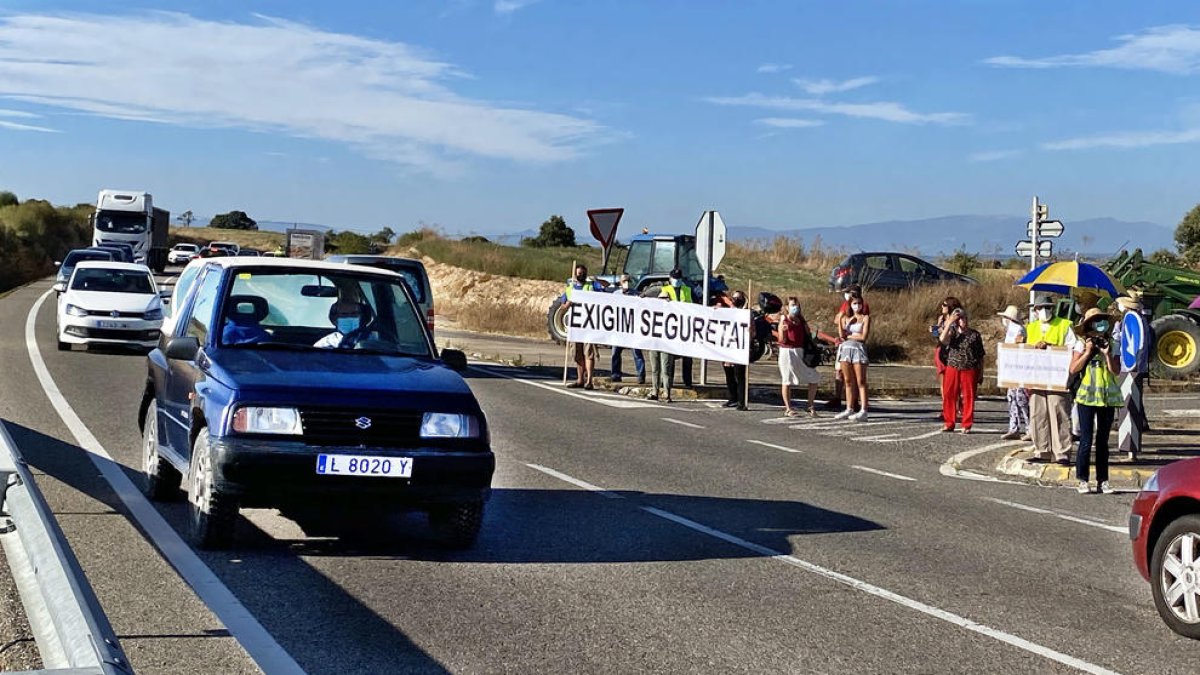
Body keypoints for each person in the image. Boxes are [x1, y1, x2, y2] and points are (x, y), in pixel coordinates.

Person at [1070, 308, 1123, 494]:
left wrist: (1107, 353)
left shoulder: (1113, 343)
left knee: (1103, 441)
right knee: (1085, 439)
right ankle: (1082, 480)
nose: (1100, 324)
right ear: (1089, 324)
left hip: (1107, 396)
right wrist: (1087, 352)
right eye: (1096, 321)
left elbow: (1116, 371)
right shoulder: (1082, 343)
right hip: (1087, 396)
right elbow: (1073, 369)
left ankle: (1103, 480)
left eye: (1102, 320)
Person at [1025, 293, 1077, 465]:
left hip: (1057, 378)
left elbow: (1073, 347)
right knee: (1038, 414)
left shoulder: (1064, 325)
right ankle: (1042, 450)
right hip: (1036, 377)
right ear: (1035, 310)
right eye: (1041, 308)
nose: (1044, 311)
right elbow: (1024, 351)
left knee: (1059, 413)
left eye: (1047, 307)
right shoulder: (1031, 328)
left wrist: (1051, 347)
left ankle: (1062, 452)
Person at [939, 308, 985, 433]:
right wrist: (949, 322)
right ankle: (949, 422)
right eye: (959, 319)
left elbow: (980, 355)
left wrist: (981, 372)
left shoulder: (975, 335)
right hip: (953, 366)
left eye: (963, 318)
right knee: (949, 394)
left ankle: (966, 424)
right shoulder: (953, 332)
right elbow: (942, 340)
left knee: (968, 396)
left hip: (969, 368)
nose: (962, 320)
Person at [828, 285, 871, 410]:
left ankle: (858, 403)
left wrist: (850, 336)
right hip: (846, 347)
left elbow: (862, 334)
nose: (856, 305)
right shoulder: (846, 306)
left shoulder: (864, 309)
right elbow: (838, 321)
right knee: (842, 374)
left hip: (857, 348)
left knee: (859, 378)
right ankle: (843, 401)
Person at [778, 297, 822, 417]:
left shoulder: (800, 320)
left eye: (797, 305)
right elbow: (782, 340)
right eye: (792, 305)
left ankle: (810, 405)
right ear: (787, 307)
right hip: (788, 352)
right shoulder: (784, 319)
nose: (795, 307)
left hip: (800, 351)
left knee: (813, 377)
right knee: (787, 379)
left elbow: (808, 335)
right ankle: (788, 408)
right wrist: (784, 330)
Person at [563, 264, 604, 390]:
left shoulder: (592, 286)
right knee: (577, 353)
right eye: (579, 273)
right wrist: (568, 303)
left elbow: (604, 293)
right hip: (575, 326)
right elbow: (562, 306)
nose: (581, 276)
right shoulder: (570, 289)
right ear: (575, 274)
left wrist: (596, 280)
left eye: (583, 273)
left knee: (589, 353)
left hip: (588, 325)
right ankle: (580, 379)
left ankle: (589, 380)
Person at [997, 304, 1030, 441]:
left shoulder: (1019, 330)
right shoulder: (1011, 329)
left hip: (1019, 368)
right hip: (1011, 368)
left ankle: (1029, 428)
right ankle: (1014, 428)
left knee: (1021, 399)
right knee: (1012, 398)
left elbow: (1019, 345)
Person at [659, 268, 695, 388]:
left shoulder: (687, 290)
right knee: (669, 358)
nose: (677, 280)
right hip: (670, 328)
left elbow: (694, 306)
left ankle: (688, 382)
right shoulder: (665, 290)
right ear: (670, 279)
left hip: (685, 327)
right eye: (675, 278)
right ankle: (668, 382)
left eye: (678, 278)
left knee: (688, 358)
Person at [716, 290, 749, 410]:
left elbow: (752, 331)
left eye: (738, 298)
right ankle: (732, 398)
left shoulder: (746, 314)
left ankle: (741, 401)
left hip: (739, 348)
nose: (735, 299)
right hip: (727, 347)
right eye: (734, 297)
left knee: (739, 375)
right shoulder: (726, 312)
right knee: (729, 374)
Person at [609, 275, 646, 384]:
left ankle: (641, 375)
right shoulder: (615, 295)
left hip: (632, 329)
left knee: (637, 353)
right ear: (620, 283)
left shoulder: (636, 295)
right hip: (619, 328)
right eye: (624, 281)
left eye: (628, 281)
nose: (627, 283)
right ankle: (615, 374)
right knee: (615, 353)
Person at [933, 297, 963, 394]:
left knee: (954, 381)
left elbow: (954, 334)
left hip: (952, 350)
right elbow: (938, 336)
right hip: (941, 348)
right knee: (943, 379)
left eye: (945, 305)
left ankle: (956, 404)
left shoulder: (957, 320)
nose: (942, 306)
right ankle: (945, 402)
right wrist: (935, 329)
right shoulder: (941, 318)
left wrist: (944, 330)